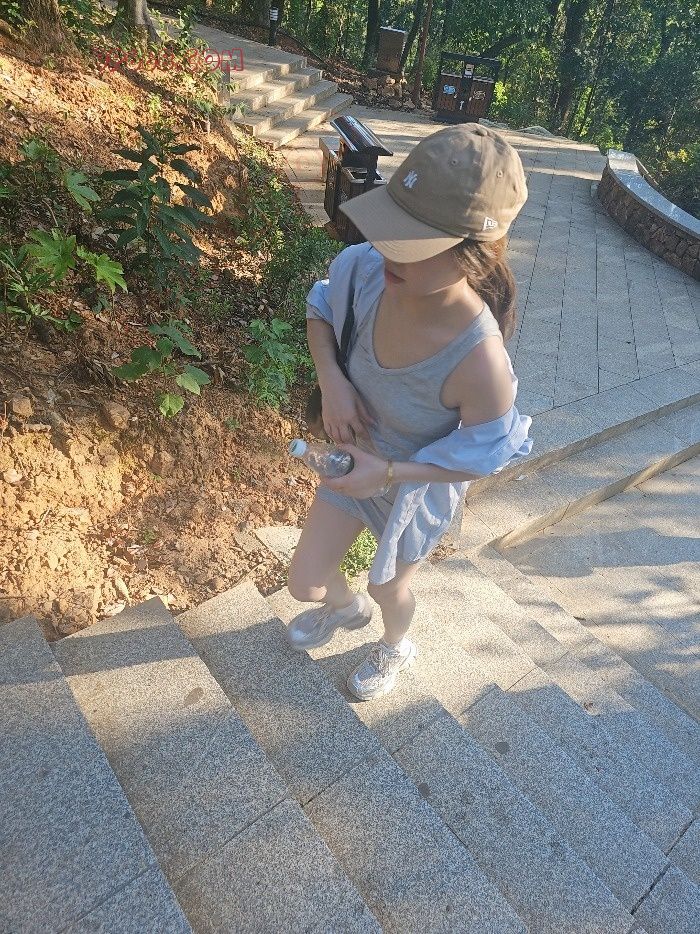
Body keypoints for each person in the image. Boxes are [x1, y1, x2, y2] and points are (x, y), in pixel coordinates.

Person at [285, 123, 533, 701]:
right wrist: (333, 382)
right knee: (304, 582)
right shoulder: (366, 270)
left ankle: (396, 645)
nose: (389, 249)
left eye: (414, 243)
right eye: (392, 225)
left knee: (388, 590)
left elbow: (482, 458)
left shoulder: (481, 363)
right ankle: (342, 611)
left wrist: (392, 472)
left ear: (475, 255)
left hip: (413, 491)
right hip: (352, 464)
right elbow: (321, 309)